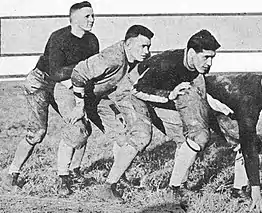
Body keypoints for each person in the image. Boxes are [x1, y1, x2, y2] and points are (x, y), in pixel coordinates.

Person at [0, 1, 99, 192]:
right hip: (41, 82)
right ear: (74, 18)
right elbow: (55, 72)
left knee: (80, 124)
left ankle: (73, 172)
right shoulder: (59, 37)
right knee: (37, 132)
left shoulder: (92, 40)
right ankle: (12, 174)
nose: (92, 20)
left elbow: (89, 72)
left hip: (66, 83)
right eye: (87, 16)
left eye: (93, 16)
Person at [58, 25, 154, 199]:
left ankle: (119, 175)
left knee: (122, 132)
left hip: (97, 95)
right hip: (72, 90)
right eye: (143, 46)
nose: (147, 51)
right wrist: (80, 107)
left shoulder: (135, 59)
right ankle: (63, 177)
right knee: (77, 130)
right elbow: (78, 74)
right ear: (128, 44)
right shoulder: (113, 58)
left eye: (149, 46)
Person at [132, 29, 221, 194]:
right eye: (206, 57)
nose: (209, 63)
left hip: (162, 96)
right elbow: (137, 89)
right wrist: (169, 95)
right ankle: (173, 187)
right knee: (152, 137)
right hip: (137, 94)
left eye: (212, 58)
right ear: (192, 52)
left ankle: (177, 186)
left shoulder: (196, 67)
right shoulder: (167, 63)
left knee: (188, 137)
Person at [206, 60, 262, 213]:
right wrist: (256, 191)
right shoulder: (248, 100)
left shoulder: (260, 87)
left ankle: (238, 189)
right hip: (202, 97)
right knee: (247, 143)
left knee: (252, 142)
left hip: (223, 102)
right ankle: (176, 187)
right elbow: (249, 146)